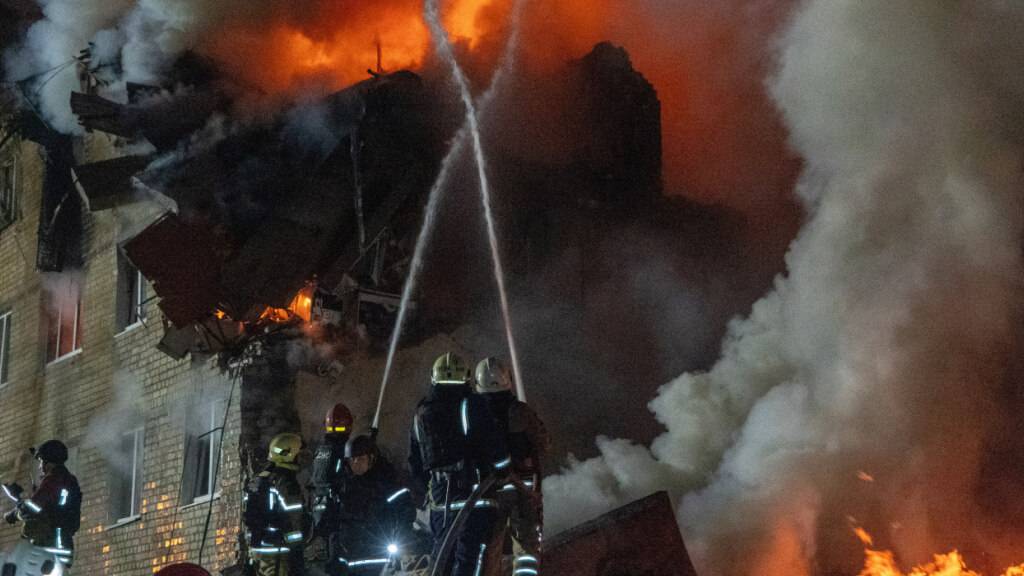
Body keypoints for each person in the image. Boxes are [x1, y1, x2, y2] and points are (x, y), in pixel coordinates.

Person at [408, 352, 510, 576]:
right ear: (466, 377)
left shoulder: (421, 414)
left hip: (439, 504)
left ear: (434, 378)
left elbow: (415, 464)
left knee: (442, 561)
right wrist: (502, 470)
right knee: (470, 563)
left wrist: (432, 488)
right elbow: (497, 450)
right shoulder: (473, 405)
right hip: (475, 500)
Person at [474, 357, 549, 576]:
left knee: (489, 548)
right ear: (508, 380)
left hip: (489, 491)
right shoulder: (521, 411)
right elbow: (544, 444)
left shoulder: (474, 413)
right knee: (526, 546)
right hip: (523, 489)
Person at [330, 434, 415, 574]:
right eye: (353, 460)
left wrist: (400, 539)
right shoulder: (344, 485)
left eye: (361, 459)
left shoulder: (386, 482)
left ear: (372, 458)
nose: (356, 463)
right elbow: (335, 517)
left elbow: (405, 512)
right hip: (349, 556)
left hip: (377, 556)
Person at [3, 440, 82, 568]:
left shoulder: (53, 480)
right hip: (63, 544)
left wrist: (14, 514)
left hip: (50, 546)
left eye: (41, 461)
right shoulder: (68, 479)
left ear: (48, 462)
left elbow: (34, 507)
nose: (40, 467)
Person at [243, 432, 308, 576]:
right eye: (298, 454)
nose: (300, 459)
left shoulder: (257, 480)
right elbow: (293, 519)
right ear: (289, 455)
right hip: (278, 552)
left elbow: (249, 518)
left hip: (257, 551)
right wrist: (297, 553)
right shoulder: (285, 482)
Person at [311, 403, 354, 575]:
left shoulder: (321, 450)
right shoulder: (340, 450)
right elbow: (346, 477)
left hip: (319, 508)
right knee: (338, 557)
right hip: (336, 510)